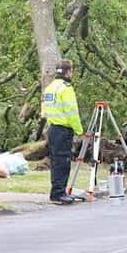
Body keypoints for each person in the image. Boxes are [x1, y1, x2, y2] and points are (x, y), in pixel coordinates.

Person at [42, 59, 83, 204]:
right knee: (63, 162)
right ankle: (59, 193)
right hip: (63, 130)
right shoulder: (66, 89)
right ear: (68, 72)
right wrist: (80, 131)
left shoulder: (50, 88)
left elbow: (45, 111)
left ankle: (56, 192)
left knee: (55, 162)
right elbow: (72, 113)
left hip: (52, 129)